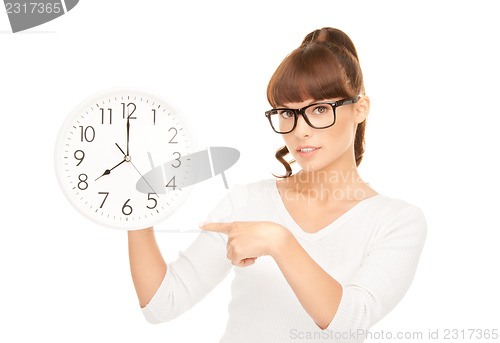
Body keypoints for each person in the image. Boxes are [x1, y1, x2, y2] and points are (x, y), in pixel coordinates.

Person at [128, 27, 427, 343]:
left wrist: (280, 241)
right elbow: (162, 305)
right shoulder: (247, 201)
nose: (300, 131)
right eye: (287, 112)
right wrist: (134, 207)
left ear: (360, 107)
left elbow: (350, 322)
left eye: (319, 109)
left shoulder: (396, 221)